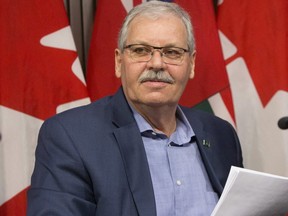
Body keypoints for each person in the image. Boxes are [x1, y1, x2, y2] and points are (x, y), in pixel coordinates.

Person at [27, 1, 243, 216]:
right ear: (119, 62)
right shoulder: (71, 136)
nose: (157, 63)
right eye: (141, 51)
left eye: (172, 52)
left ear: (192, 64)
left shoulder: (221, 135)